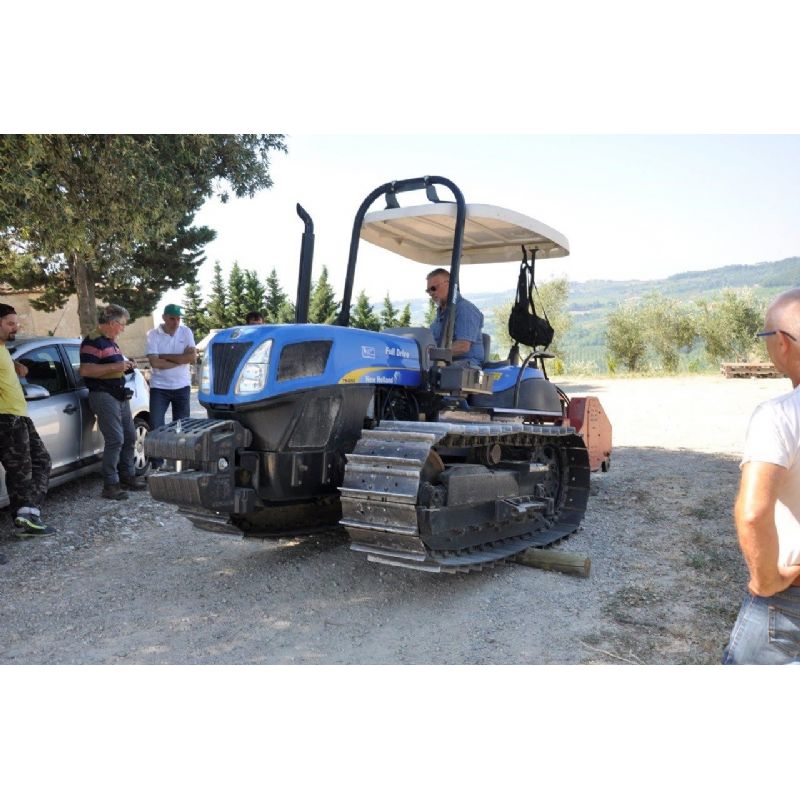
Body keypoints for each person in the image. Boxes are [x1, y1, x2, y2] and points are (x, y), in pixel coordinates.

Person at [722, 287, 800, 664]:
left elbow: (753, 513)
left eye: (767, 336)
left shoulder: (780, 415)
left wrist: (767, 579)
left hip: (791, 601)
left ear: (782, 343)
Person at [79, 304, 147, 500]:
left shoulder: (111, 342)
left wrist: (125, 366)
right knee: (115, 439)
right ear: (112, 323)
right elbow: (86, 370)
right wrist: (117, 365)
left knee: (130, 435)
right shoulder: (93, 341)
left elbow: (109, 367)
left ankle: (128, 476)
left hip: (118, 394)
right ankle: (110, 484)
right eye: (122, 325)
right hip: (103, 395)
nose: (123, 329)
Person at [0, 303, 56, 536]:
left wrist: (15, 365)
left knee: (40, 461)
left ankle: (28, 514)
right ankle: (26, 517)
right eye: (10, 323)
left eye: (16, 323)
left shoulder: (3, 348)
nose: (16, 327)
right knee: (21, 472)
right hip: (6, 418)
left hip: (18, 415)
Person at [146, 303, 197, 469]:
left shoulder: (186, 331)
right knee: (156, 425)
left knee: (181, 427)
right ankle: (157, 464)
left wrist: (165, 357)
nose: (176, 322)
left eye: (178, 318)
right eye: (172, 318)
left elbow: (191, 357)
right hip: (159, 387)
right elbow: (155, 362)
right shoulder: (153, 335)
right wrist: (180, 359)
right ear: (164, 317)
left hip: (182, 386)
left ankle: (179, 462)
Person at [426, 268, 484, 367]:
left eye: (434, 288)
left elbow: (463, 346)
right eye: (428, 290)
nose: (431, 293)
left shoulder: (465, 309)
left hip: (466, 367)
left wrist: (433, 354)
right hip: (444, 363)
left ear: (449, 284)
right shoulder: (440, 313)